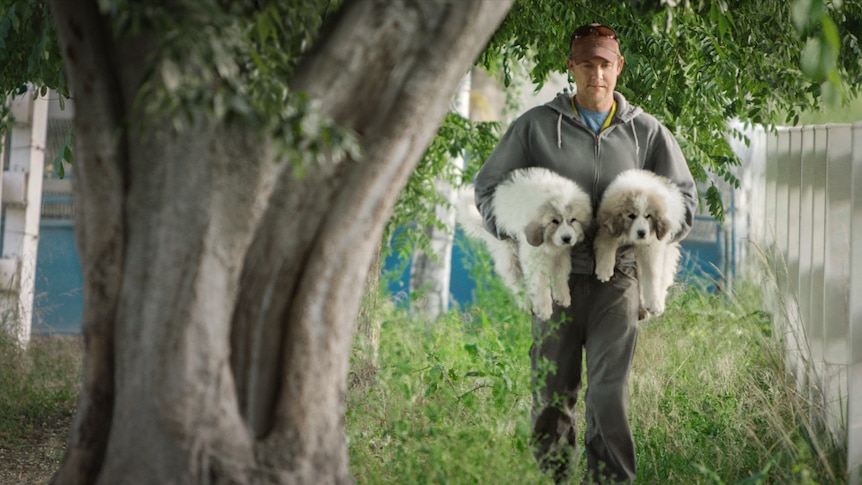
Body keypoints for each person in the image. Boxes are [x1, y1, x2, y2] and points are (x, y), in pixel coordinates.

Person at [473, 23, 698, 483]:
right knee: (553, 396)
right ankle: (553, 478)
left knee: (608, 397)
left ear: (619, 68)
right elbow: (489, 188)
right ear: (572, 67)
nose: (597, 74)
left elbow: (684, 201)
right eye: (587, 64)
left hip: (617, 282)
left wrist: (652, 234)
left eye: (605, 64)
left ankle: (610, 480)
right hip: (554, 281)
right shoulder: (535, 126)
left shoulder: (647, 133)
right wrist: (517, 231)